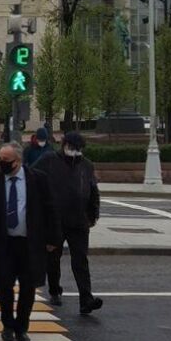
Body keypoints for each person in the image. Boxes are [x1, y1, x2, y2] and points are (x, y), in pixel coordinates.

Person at [0, 143, 59, 341]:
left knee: (28, 287)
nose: (2, 164)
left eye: (6, 161)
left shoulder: (38, 180)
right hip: (3, 244)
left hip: (30, 244)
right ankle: (7, 325)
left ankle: (22, 327)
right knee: (3, 287)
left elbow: (51, 210)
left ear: (18, 161)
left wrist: (52, 239)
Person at [35, 131, 103, 314]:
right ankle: (55, 290)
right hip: (55, 221)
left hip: (79, 221)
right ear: (64, 145)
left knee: (80, 261)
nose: (75, 152)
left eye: (79, 149)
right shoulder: (50, 160)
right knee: (53, 258)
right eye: (72, 148)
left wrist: (93, 214)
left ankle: (86, 299)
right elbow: (32, 177)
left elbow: (93, 190)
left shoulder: (86, 165)